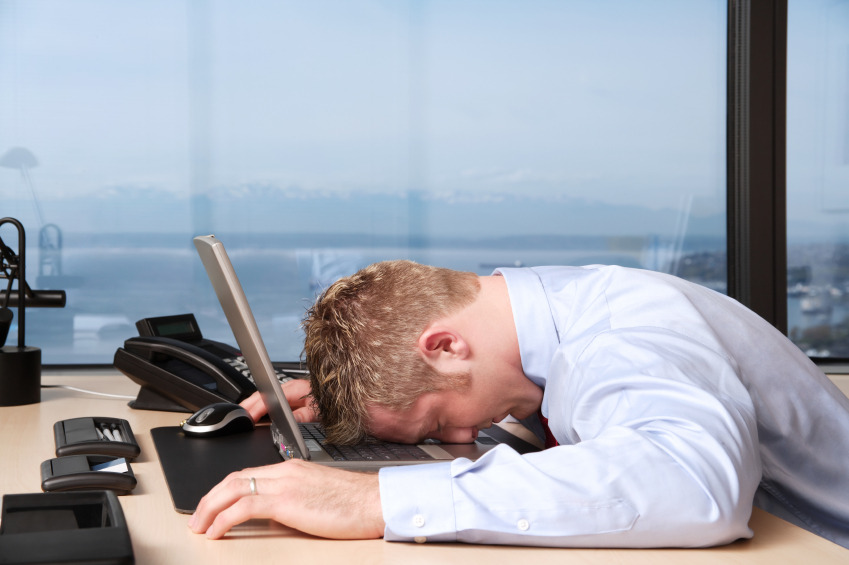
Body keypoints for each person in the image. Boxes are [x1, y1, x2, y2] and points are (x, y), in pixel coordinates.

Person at [188, 261, 849, 548]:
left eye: (439, 424)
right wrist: (346, 395)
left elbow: (693, 485)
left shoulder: (623, 334)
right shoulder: (513, 315)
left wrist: (372, 499)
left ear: (444, 344)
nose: (464, 434)